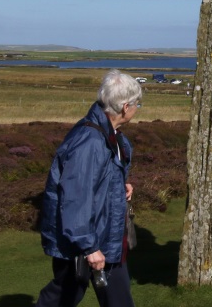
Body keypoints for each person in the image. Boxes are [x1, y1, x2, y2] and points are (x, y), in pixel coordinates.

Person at [34, 70, 141, 307]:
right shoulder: (90, 141)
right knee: (62, 296)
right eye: (137, 104)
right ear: (125, 107)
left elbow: (97, 178)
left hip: (107, 235)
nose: (137, 108)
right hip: (86, 242)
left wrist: (118, 186)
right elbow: (76, 196)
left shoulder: (107, 134)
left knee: (117, 300)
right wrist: (89, 247)